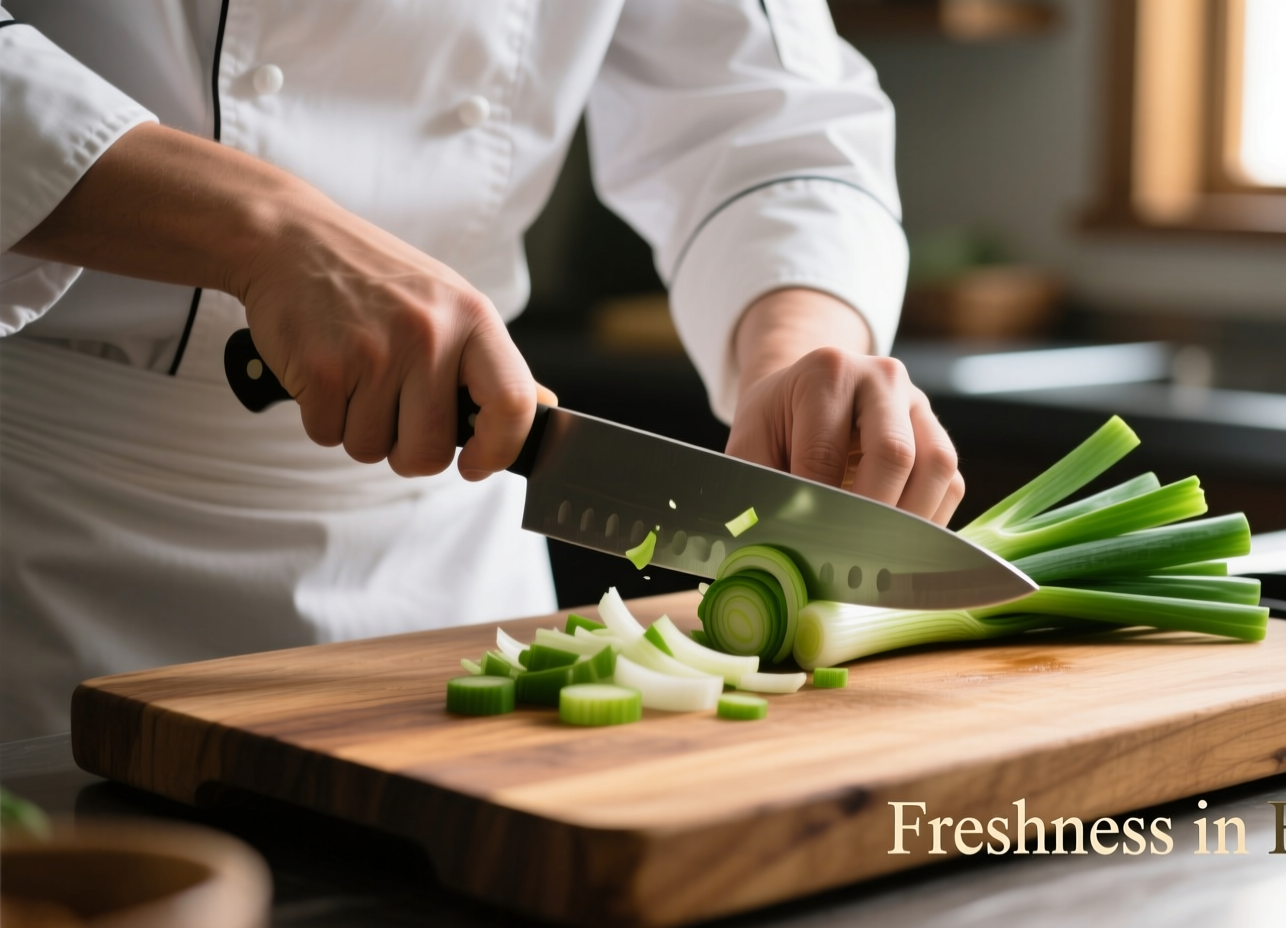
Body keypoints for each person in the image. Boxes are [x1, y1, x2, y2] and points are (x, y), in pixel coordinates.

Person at [0, 1, 963, 741]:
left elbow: (765, 113)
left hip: (454, 543)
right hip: (56, 535)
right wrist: (263, 225)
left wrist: (800, 354)